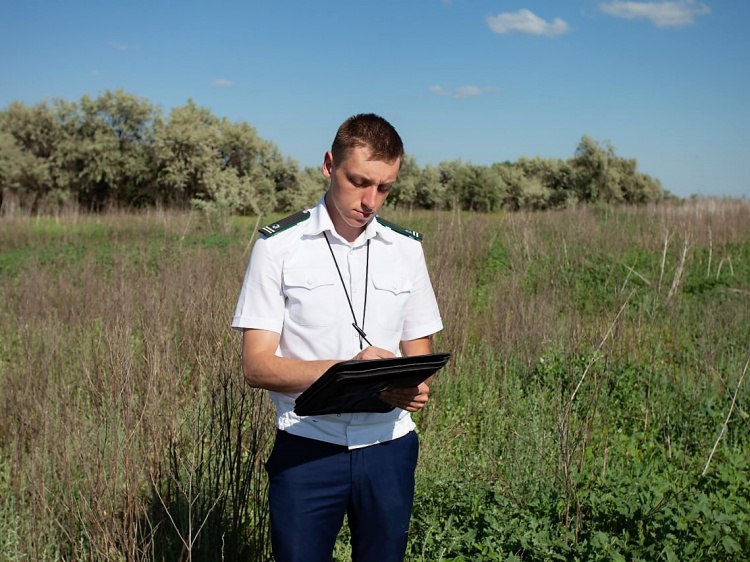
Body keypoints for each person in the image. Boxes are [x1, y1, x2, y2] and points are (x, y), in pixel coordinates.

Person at [232, 113, 443, 562]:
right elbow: (256, 366)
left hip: (389, 449)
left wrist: (413, 386)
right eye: (360, 181)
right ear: (329, 165)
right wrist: (346, 372)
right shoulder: (278, 246)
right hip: (308, 448)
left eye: (385, 187)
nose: (371, 200)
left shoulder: (407, 249)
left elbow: (419, 355)